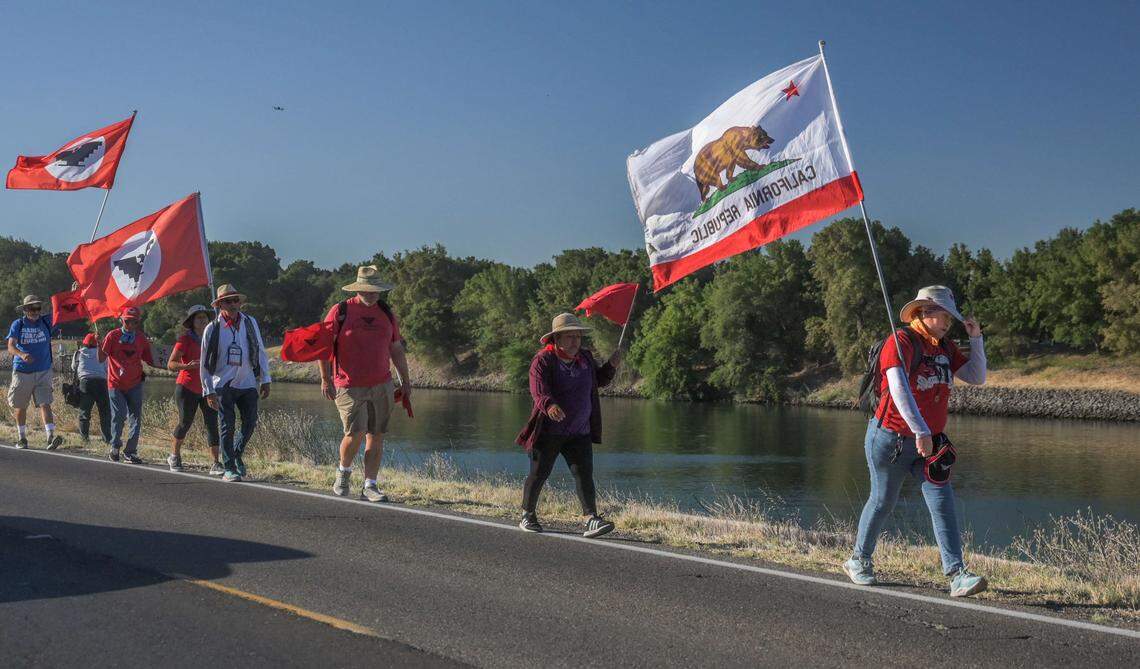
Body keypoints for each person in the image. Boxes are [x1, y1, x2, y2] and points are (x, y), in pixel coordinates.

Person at [843, 285, 989, 598]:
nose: (949, 319)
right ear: (923, 312)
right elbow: (898, 389)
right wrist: (920, 430)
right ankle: (859, 559)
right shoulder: (901, 342)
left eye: (951, 314)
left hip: (930, 443)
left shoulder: (944, 346)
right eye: (943, 313)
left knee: (943, 502)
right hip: (890, 440)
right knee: (883, 501)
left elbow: (977, 377)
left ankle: (956, 574)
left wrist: (976, 339)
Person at [515, 313, 623, 538]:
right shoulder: (543, 360)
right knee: (539, 473)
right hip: (549, 430)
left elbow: (599, 380)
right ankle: (528, 515)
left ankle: (591, 519)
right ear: (557, 339)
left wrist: (611, 366)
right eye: (569, 336)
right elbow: (538, 390)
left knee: (584, 474)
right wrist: (550, 405)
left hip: (579, 430)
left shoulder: (584, 358)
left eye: (578, 336)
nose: (575, 341)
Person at [321, 265, 411, 502]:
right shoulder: (340, 311)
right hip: (348, 384)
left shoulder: (387, 314)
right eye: (367, 290)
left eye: (376, 290)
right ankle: (344, 472)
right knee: (356, 432)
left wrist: (405, 381)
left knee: (376, 434)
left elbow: (396, 349)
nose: (372, 294)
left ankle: (370, 485)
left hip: (382, 384)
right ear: (358, 289)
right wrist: (325, 379)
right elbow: (324, 347)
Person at [200, 285, 271, 483]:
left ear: (240, 302)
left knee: (250, 423)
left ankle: (237, 454)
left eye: (235, 300)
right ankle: (229, 467)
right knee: (227, 426)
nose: (232, 304)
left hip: (248, 381)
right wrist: (208, 390)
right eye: (227, 301)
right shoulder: (212, 328)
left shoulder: (250, 322)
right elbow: (205, 362)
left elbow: (261, 350)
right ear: (220, 304)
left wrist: (266, 379)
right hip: (223, 383)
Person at [167, 304, 222, 474]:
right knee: (185, 423)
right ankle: (174, 456)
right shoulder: (185, 339)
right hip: (187, 387)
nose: (203, 320)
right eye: (198, 318)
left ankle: (216, 463)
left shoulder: (214, 337)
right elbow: (171, 364)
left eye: (205, 317)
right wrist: (187, 366)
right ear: (192, 322)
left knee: (212, 424)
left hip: (208, 389)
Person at [100, 306, 158, 463]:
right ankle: (114, 447)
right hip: (115, 383)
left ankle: (130, 451)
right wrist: (99, 344)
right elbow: (100, 358)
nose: (131, 325)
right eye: (127, 321)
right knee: (118, 416)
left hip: (135, 383)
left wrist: (171, 364)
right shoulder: (112, 336)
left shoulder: (140, 338)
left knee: (136, 418)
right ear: (121, 320)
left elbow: (149, 359)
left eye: (134, 322)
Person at [6, 295, 63, 449]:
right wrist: (22, 354)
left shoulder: (45, 321)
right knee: (20, 405)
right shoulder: (18, 324)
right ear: (25, 310)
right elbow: (10, 346)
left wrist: (74, 294)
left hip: (43, 370)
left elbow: (62, 310)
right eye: (32, 308)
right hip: (22, 371)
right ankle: (22, 438)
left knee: (45, 403)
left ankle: (50, 437)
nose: (35, 311)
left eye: (38, 308)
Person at [72, 332, 111, 445]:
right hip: (101, 383)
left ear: (84, 343)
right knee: (104, 412)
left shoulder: (78, 353)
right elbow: (107, 369)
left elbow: (74, 367)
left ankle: (84, 438)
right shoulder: (103, 353)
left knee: (84, 413)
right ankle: (107, 438)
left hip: (85, 383)